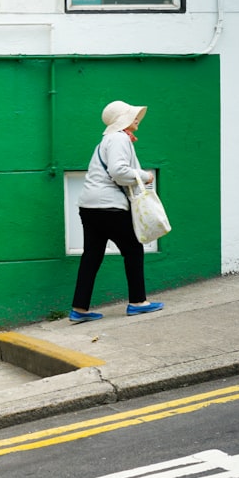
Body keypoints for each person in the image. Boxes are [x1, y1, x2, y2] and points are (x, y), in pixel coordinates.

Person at [70, 100, 165, 323]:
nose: (137, 119)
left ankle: (79, 309)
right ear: (124, 120)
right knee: (133, 249)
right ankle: (137, 302)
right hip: (109, 206)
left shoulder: (109, 140)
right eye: (132, 116)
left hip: (89, 206)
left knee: (92, 256)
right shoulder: (118, 139)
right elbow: (119, 171)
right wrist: (145, 176)